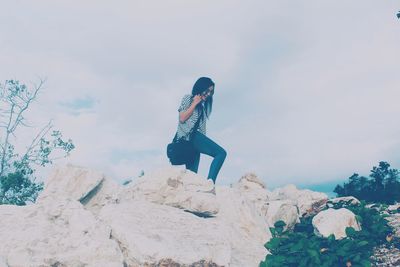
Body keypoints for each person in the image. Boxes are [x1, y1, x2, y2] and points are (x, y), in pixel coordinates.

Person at [175, 77, 227, 187]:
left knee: (191, 177)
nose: (208, 94)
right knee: (221, 153)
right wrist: (194, 103)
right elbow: (182, 118)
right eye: (207, 90)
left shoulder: (202, 110)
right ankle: (210, 183)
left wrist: (203, 146)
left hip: (195, 144)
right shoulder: (188, 99)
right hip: (189, 138)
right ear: (200, 87)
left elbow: (203, 132)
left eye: (211, 92)